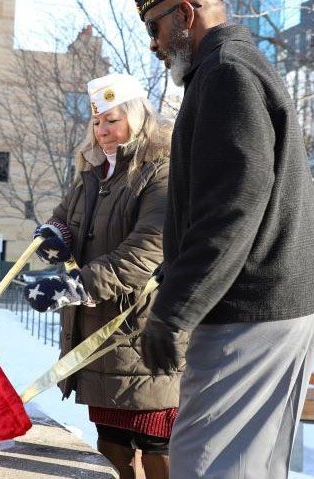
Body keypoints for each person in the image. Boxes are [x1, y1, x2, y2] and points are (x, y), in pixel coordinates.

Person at [135, 1, 314, 477]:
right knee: (247, 466)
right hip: (267, 305)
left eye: (153, 25)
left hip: (248, 312)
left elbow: (231, 208)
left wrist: (174, 312)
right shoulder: (232, 68)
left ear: (185, 14)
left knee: (204, 465)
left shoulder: (225, 74)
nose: (152, 42)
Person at [23, 73, 183, 479]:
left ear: (136, 116)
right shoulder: (93, 173)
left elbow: (146, 250)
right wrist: (53, 237)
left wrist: (75, 286)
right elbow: (64, 221)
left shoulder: (161, 172)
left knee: (155, 445)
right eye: (97, 122)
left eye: (112, 120)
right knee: (110, 444)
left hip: (143, 331)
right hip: (99, 336)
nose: (103, 131)